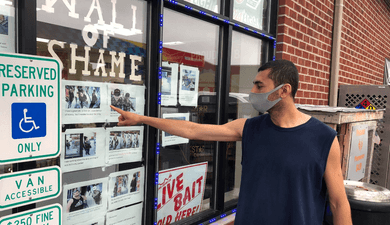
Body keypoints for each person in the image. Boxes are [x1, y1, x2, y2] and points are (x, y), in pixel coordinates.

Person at [110, 59, 352, 225]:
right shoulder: (249, 128)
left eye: (259, 85)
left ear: (283, 90)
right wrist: (141, 118)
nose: (252, 90)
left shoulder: (324, 138)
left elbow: (339, 203)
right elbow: (194, 129)